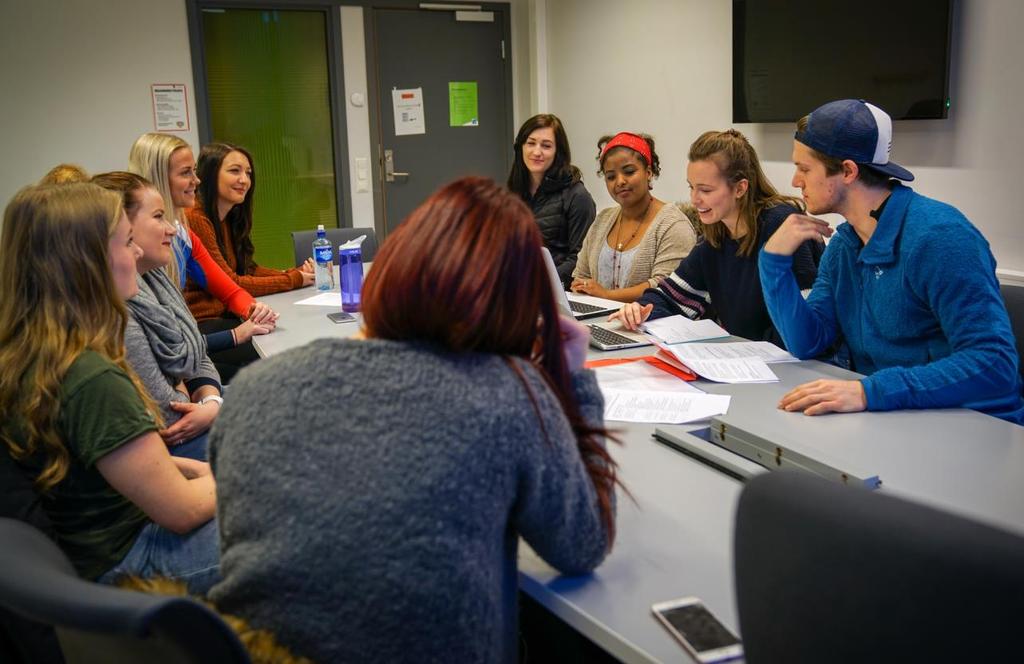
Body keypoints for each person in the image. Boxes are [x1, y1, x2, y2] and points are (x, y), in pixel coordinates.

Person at [208, 177, 617, 663]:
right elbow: (581, 545)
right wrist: (574, 380)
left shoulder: (255, 388)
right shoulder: (509, 397)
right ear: (516, 302)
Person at [0, 183, 219, 593]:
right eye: (127, 242)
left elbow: (121, 463)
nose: (137, 253)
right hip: (134, 560)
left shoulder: (35, 357)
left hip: (93, 554)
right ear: (86, 263)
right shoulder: (92, 378)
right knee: (297, 525)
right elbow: (183, 510)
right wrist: (248, 475)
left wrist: (201, 470)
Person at [760, 98, 1024, 422]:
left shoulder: (941, 237)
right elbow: (807, 343)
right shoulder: (845, 244)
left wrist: (869, 391)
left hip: (973, 425)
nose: (795, 182)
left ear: (847, 171)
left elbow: (994, 364)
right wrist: (773, 261)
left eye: (804, 168)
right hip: (894, 417)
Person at [93, 172, 263, 461]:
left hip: (203, 411)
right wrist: (194, 394)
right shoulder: (118, 308)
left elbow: (195, 351)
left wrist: (211, 400)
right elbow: (171, 414)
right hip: (177, 441)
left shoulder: (156, 279)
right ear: (122, 228)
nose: (171, 229)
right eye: (158, 217)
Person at [612, 129, 820, 345]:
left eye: (706, 190)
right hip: (751, 362)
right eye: (691, 187)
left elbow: (806, 316)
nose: (694, 200)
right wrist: (639, 309)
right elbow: (671, 298)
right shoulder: (715, 237)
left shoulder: (783, 224)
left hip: (797, 363)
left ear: (740, 188)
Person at [129, 133, 275, 382]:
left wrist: (254, 310)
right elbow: (169, 353)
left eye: (194, 171)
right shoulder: (140, 253)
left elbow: (230, 290)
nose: (196, 180)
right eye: (186, 173)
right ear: (158, 177)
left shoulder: (182, 230)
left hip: (188, 354)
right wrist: (235, 336)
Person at [185, 143, 314, 323]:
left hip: (228, 314)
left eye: (248, 173)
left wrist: (293, 273)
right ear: (210, 174)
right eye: (235, 171)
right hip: (207, 322)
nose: (244, 180)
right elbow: (231, 283)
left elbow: (248, 268)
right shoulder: (196, 218)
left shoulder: (229, 216)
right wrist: (292, 279)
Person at [571, 132, 695, 302]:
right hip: (599, 321)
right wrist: (581, 287)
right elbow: (581, 275)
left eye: (629, 172)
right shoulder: (602, 220)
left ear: (649, 172)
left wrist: (607, 296)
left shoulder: (673, 225)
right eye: (611, 176)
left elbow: (666, 288)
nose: (620, 181)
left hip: (649, 324)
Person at [507, 113, 596, 287]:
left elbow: (582, 259)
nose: (537, 152)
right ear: (521, 147)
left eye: (546, 146)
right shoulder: (513, 194)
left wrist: (538, 281)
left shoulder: (577, 196)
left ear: (558, 151)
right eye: (531, 143)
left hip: (560, 294)